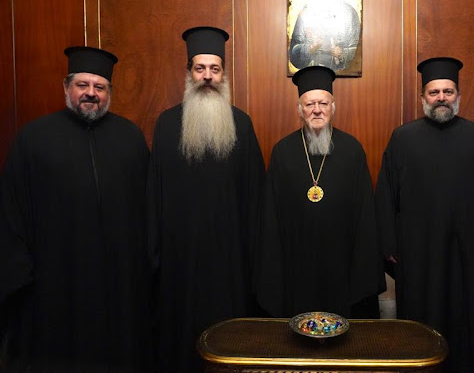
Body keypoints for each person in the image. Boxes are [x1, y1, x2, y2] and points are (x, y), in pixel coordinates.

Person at [0, 47, 151, 372]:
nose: (91, 93)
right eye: (83, 85)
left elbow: (148, 211)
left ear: (109, 92)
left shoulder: (130, 138)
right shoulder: (33, 139)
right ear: (66, 86)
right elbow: (11, 213)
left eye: (99, 87)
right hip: (54, 284)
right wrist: (23, 276)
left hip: (118, 283)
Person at [375, 57, 474, 372]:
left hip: (468, 259)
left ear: (458, 96)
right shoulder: (403, 138)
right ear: (423, 97)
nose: (441, 98)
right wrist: (389, 244)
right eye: (434, 92)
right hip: (418, 255)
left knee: (467, 329)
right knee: (419, 328)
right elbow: (386, 195)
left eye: (447, 92)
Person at [147, 26, 265, 372]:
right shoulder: (167, 125)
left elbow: (255, 198)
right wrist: (155, 256)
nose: (208, 77)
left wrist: (254, 259)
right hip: (179, 261)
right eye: (200, 68)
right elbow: (155, 196)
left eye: (215, 69)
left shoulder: (242, 124)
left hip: (230, 259)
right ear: (189, 73)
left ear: (223, 74)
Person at [255, 65, 384, 318]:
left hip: (342, 260)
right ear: (299, 110)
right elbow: (271, 216)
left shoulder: (352, 150)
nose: (317, 110)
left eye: (323, 104)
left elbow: (365, 214)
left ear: (333, 107)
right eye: (309, 104)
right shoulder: (282, 152)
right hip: (296, 261)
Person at [289, 0, 361, 72]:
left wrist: (342, 53)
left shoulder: (349, 13)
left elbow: (358, 52)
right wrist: (311, 48)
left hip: (340, 76)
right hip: (312, 74)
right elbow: (294, 53)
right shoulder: (307, 11)